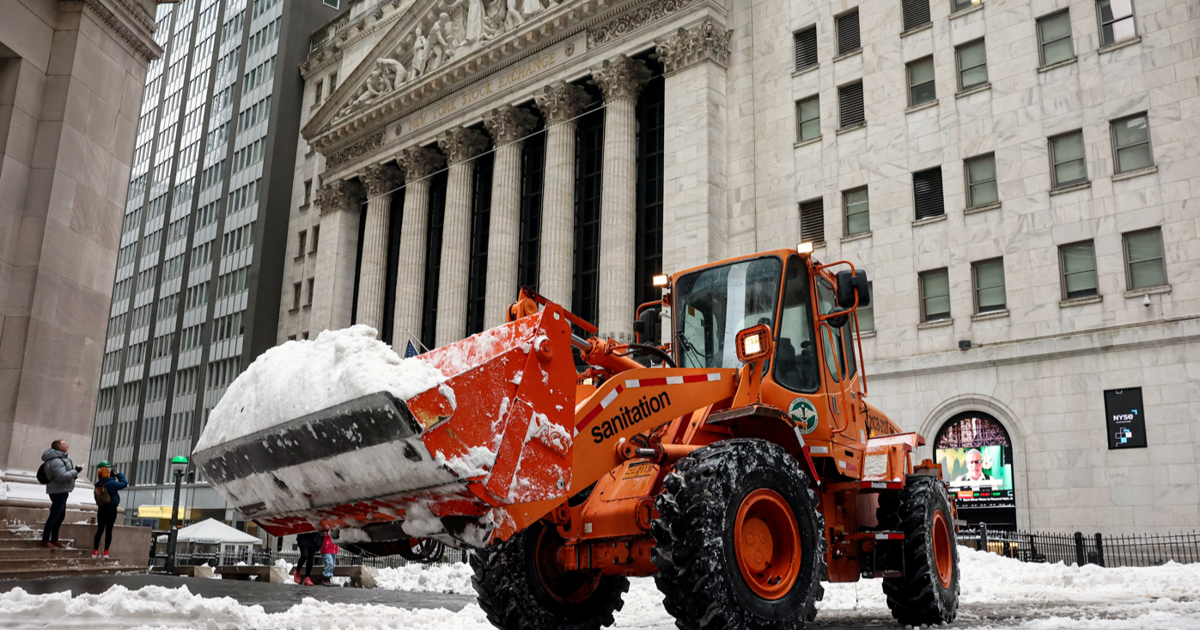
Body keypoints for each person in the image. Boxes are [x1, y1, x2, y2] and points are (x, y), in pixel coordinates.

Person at [41, 440, 82, 549]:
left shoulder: (60, 459)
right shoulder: (56, 461)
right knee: (54, 516)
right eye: (64, 444)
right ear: (60, 448)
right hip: (58, 491)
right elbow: (61, 476)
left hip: (62, 490)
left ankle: (54, 539)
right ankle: (45, 540)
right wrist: (76, 471)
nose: (67, 445)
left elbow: (64, 474)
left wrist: (73, 475)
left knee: (60, 516)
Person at [92, 462, 127, 558]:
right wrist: (118, 474)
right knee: (109, 530)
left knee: (100, 530)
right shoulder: (111, 483)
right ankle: (106, 552)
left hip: (101, 509)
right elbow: (124, 483)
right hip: (111, 509)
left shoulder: (97, 484)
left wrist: (111, 476)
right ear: (107, 474)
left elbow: (107, 482)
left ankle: (95, 551)